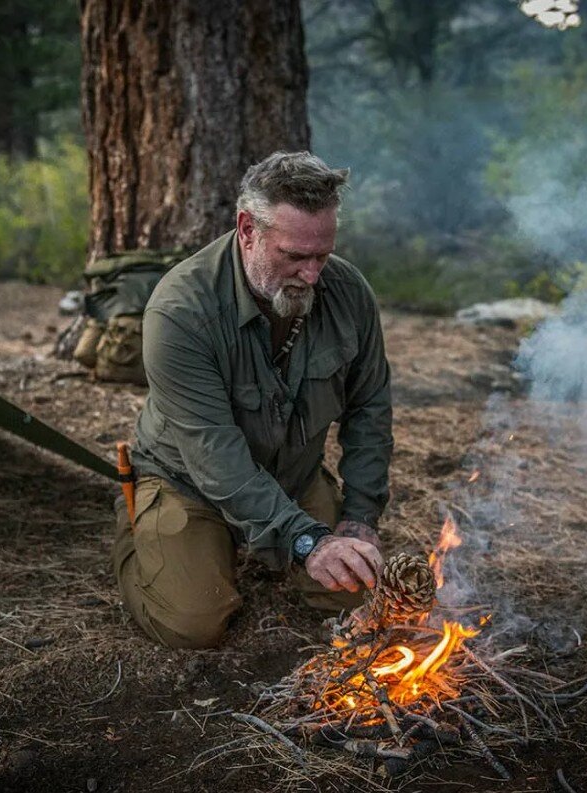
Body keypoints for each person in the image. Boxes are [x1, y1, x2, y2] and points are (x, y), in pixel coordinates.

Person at [112, 151, 393, 649]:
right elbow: (215, 459)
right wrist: (307, 540)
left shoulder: (348, 293)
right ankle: (143, 533)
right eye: (294, 256)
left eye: (322, 255)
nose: (312, 274)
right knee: (192, 623)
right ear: (247, 230)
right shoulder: (180, 311)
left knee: (355, 596)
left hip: (292, 475)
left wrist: (360, 516)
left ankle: (263, 536)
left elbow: (369, 407)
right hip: (188, 480)